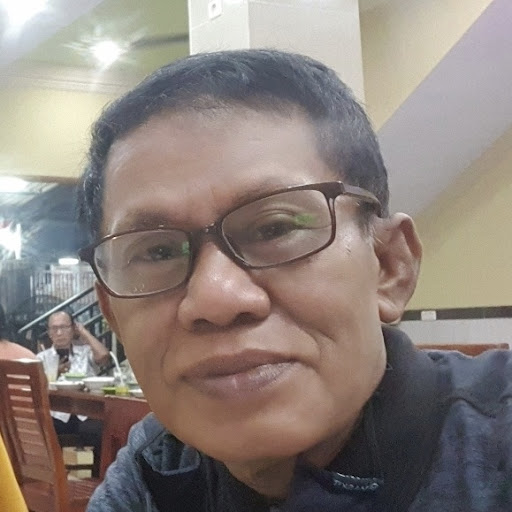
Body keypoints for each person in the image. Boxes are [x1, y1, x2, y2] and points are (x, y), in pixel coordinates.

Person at [77, 49, 512, 511]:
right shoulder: (156, 470)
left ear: (389, 266)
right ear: (113, 317)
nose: (216, 298)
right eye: (157, 252)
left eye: (275, 228)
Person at [37, 310, 110, 477]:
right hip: (56, 414)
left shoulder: (84, 352)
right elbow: (38, 387)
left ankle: (97, 478)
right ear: (49, 332)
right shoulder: (42, 358)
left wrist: (83, 332)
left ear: (72, 329)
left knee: (99, 430)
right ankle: (56, 478)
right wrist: (56, 371)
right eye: (54, 328)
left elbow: (104, 356)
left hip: (85, 413)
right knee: (44, 429)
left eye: (64, 327)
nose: (59, 333)